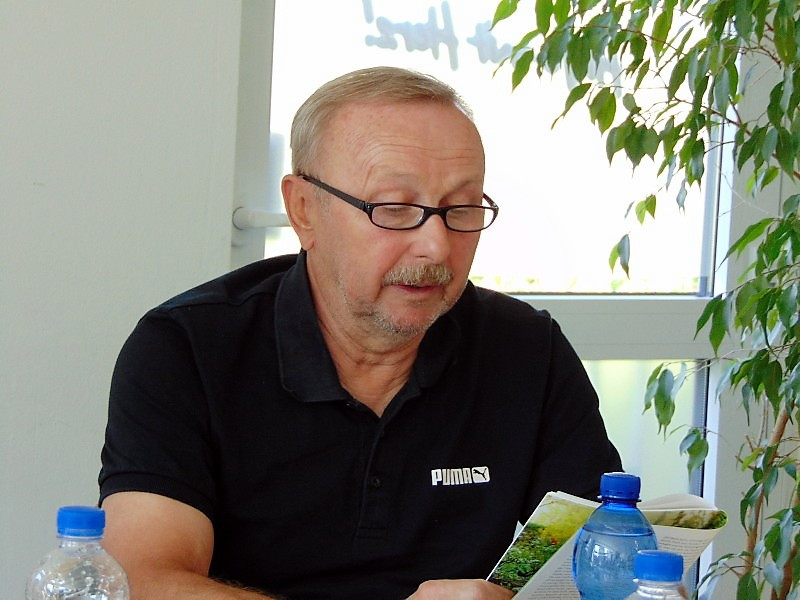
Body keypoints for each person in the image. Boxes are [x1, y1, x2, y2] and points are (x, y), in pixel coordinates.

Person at [98, 66, 621, 599]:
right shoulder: (187, 348)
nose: (436, 247)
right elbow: (142, 580)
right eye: (394, 209)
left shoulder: (526, 350)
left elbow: (603, 558)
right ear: (304, 210)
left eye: (461, 210)